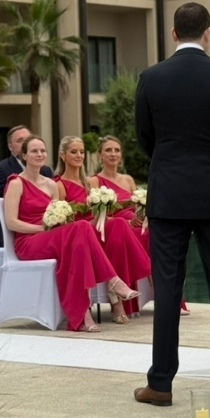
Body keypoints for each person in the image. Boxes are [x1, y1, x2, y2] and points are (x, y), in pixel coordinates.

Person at [133, 2, 210, 406]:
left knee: (167, 289)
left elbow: (144, 138)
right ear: (207, 32)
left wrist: (169, 163)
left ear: (172, 33)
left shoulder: (151, 78)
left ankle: (161, 384)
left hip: (167, 195)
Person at [3, 135, 140, 332]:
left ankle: (83, 315)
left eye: (42, 150)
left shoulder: (50, 185)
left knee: (79, 237)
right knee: (80, 230)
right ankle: (112, 281)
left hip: (50, 237)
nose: (39, 154)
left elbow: (61, 216)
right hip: (28, 242)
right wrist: (44, 228)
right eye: (34, 151)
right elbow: (11, 222)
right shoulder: (16, 183)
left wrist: (57, 224)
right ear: (24, 155)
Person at [55, 136, 151, 325]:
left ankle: (116, 294)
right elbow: (61, 220)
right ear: (63, 156)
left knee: (118, 225)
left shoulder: (88, 184)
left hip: (96, 229)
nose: (79, 155)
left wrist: (103, 216)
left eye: (81, 152)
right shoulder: (59, 184)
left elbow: (98, 212)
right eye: (74, 152)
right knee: (119, 227)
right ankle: (141, 278)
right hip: (79, 235)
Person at [90, 135, 190, 317]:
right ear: (99, 155)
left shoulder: (128, 179)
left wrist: (143, 215)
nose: (113, 154)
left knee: (155, 233)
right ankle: (144, 295)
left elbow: (138, 205)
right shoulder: (94, 181)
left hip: (135, 224)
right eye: (108, 150)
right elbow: (96, 215)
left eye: (117, 150)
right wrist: (126, 222)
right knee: (132, 236)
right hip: (114, 227)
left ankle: (167, 296)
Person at [0, 125, 53, 247]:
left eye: (28, 139)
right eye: (20, 141)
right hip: (6, 232)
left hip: (40, 230)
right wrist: (16, 212)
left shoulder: (46, 171)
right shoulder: (2, 169)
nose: (25, 143)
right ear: (10, 147)